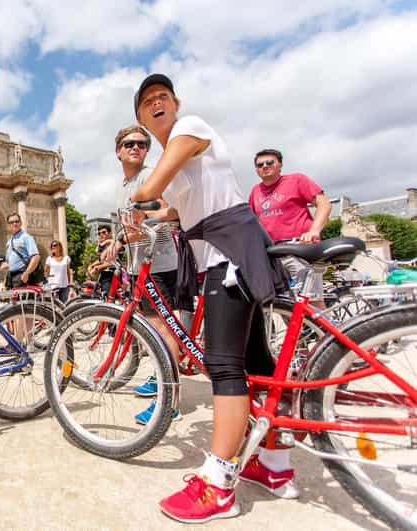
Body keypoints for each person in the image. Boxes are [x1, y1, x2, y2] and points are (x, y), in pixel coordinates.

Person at [130, 74, 293, 523]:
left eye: (163, 96)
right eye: (148, 101)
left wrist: (137, 199)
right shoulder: (179, 154)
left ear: (175, 104)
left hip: (229, 252)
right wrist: (155, 220)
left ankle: (218, 483)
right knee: (256, 361)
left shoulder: (189, 130)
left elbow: (150, 189)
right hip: (223, 250)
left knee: (224, 365)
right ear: (141, 116)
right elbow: (179, 208)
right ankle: (275, 466)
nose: (157, 102)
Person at [104, 124, 189, 424]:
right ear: (118, 151)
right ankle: (159, 375)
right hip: (139, 265)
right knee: (152, 328)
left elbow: (170, 211)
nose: (136, 148)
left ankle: (171, 401)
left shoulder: (151, 176)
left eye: (142, 143)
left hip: (160, 262)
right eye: (129, 143)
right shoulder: (124, 185)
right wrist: (116, 241)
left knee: (163, 329)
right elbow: (127, 223)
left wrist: (144, 219)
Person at [248, 148, 332, 283]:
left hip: (298, 247)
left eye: (269, 162)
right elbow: (250, 222)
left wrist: (314, 231)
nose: (265, 166)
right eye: (260, 164)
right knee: (275, 301)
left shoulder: (296, 180)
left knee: (308, 297)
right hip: (272, 252)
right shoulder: (255, 191)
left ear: (280, 165)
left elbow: (324, 204)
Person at [1, 213, 42, 288]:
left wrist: (26, 273)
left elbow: (36, 257)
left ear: (21, 223)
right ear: (8, 225)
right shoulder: (10, 241)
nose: (15, 224)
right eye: (11, 222)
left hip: (21, 276)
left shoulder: (27, 237)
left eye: (17, 221)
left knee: (21, 299)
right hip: (10, 277)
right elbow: (10, 262)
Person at [87, 225, 117, 297]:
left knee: (106, 300)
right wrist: (92, 265)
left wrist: (98, 267)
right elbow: (101, 259)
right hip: (103, 276)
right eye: (99, 233)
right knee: (95, 297)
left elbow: (115, 262)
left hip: (113, 276)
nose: (101, 235)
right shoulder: (104, 246)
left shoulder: (116, 244)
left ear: (109, 233)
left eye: (104, 232)